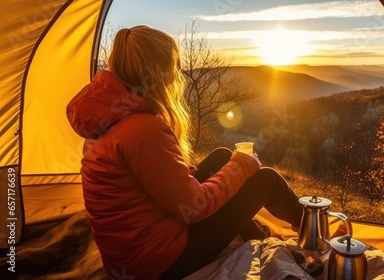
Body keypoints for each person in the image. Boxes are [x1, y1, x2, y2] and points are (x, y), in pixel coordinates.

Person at [66, 25, 303, 280]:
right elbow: (192, 207)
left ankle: (258, 238)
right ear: (158, 71)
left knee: (223, 156)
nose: (176, 73)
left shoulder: (109, 116)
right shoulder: (144, 129)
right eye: (173, 65)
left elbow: (143, 183)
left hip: (130, 253)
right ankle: (315, 236)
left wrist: (182, 174)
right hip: (159, 264)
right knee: (265, 181)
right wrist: (245, 164)